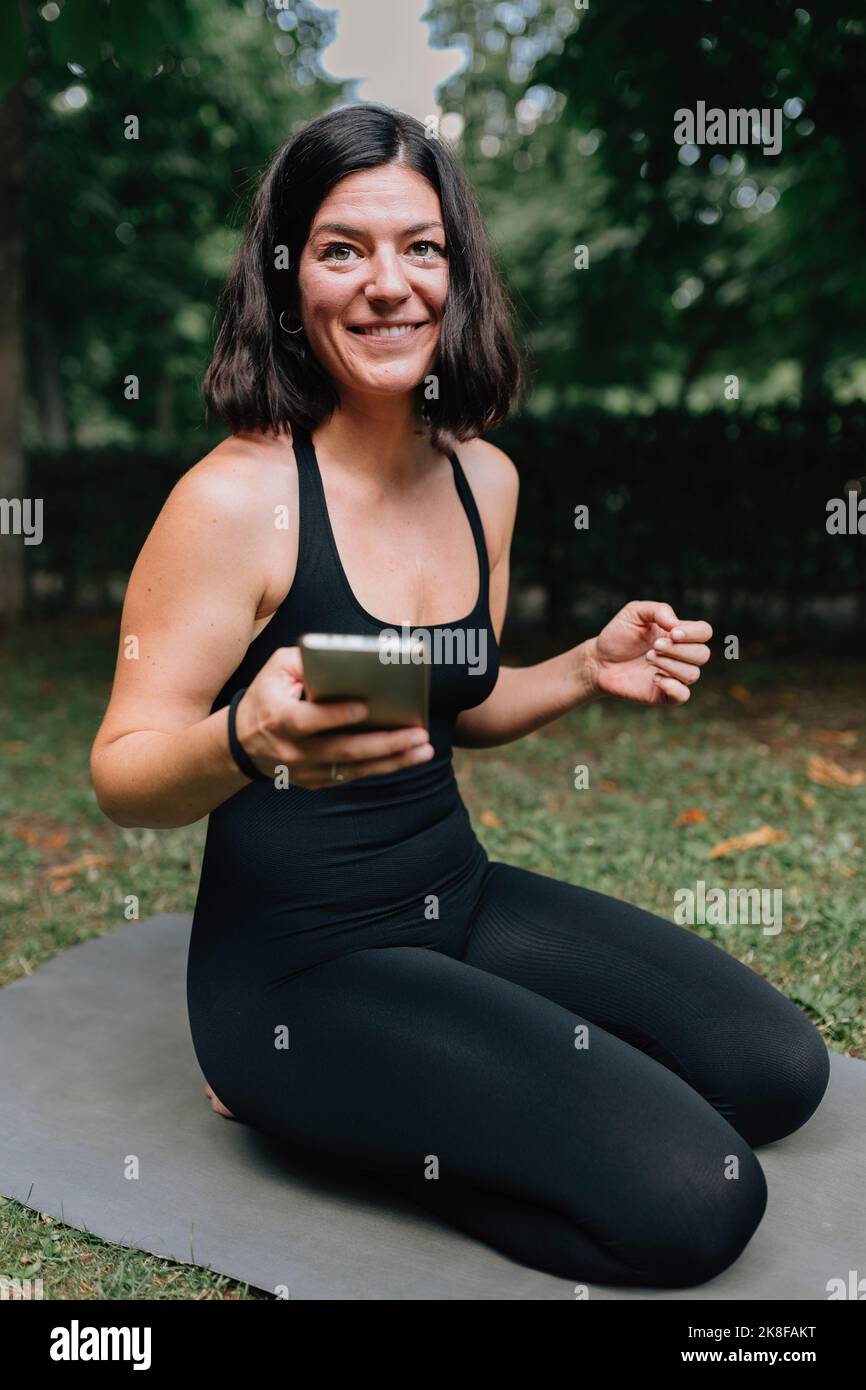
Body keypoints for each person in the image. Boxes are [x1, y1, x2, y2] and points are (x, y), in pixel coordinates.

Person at [90, 104, 829, 1290]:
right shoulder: (234, 501)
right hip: (298, 974)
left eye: (420, 248)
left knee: (780, 1072)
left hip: (458, 899)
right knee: (701, 1197)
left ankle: (414, 1082)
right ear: (287, 281)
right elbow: (122, 769)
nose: (389, 286)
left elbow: (448, 703)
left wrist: (584, 668)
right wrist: (243, 736)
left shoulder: (482, 477)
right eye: (342, 249)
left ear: (458, 269)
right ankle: (304, 1109)